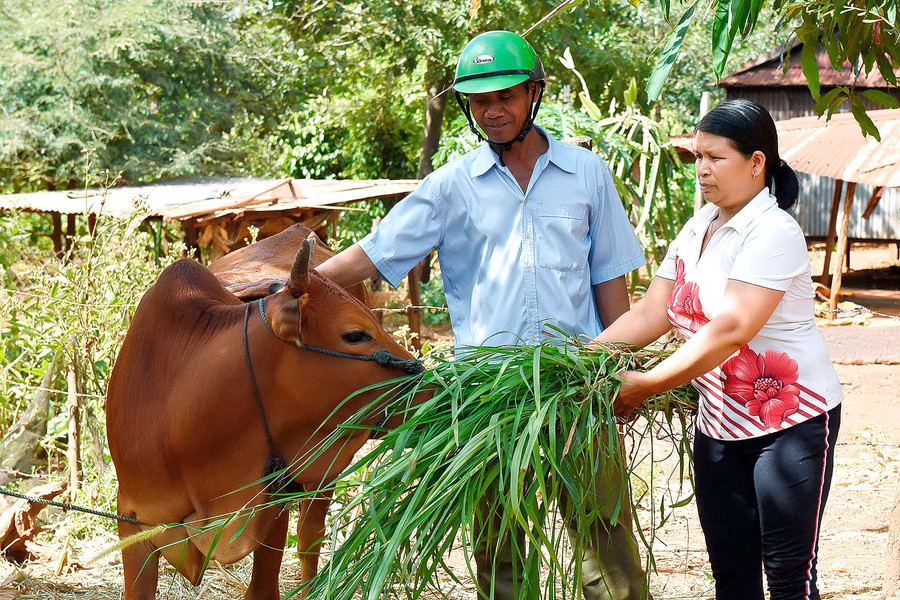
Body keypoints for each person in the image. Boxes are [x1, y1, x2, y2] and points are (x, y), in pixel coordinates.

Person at [232, 30, 648, 600]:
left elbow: (609, 281)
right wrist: (292, 286)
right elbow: (373, 254)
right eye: (480, 101)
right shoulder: (451, 187)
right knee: (500, 549)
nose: (493, 111)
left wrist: (618, 370)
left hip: (577, 384)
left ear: (534, 94)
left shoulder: (587, 175)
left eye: (505, 96)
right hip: (487, 390)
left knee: (606, 541)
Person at [591, 98, 842, 600]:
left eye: (716, 157)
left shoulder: (774, 231)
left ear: (756, 163)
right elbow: (652, 311)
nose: (702, 169)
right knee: (731, 573)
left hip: (791, 426)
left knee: (790, 575)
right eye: (697, 156)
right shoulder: (699, 225)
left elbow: (732, 328)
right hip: (719, 426)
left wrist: (644, 385)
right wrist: (581, 360)